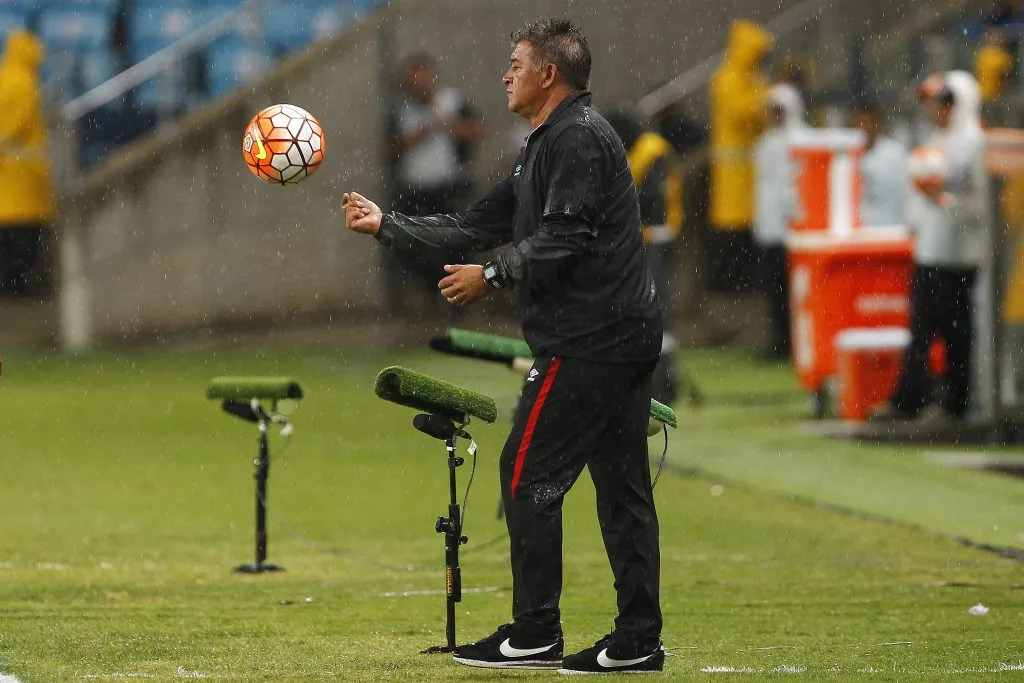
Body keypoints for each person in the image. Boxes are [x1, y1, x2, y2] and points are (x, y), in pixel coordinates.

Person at [342, 19, 665, 675]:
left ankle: (537, 630)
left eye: (515, 63)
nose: (503, 74)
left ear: (549, 74)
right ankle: (637, 638)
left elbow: (566, 237)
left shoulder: (575, 139)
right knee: (623, 488)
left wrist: (489, 275)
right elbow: (477, 222)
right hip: (622, 333)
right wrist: (388, 224)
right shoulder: (546, 142)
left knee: (527, 474)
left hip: (590, 339)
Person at [871, 71, 986, 424]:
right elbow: (920, 197)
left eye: (946, 103)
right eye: (937, 104)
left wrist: (942, 199)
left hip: (960, 256)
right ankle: (915, 399)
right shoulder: (937, 142)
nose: (938, 111)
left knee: (955, 333)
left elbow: (982, 208)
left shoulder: (975, 146)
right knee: (924, 329)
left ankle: (950, 402)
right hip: (932, 251)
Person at [382, 52, 482, 318]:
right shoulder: (400, 112)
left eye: (424, 81)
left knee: (456, 244)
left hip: (450, 187)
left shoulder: (452, 101)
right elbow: (389, 149)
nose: (420, 88)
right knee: (404, 245)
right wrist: (415, 136)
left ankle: (456, 303)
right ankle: (433, 290)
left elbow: (475, 131)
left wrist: (446, 123)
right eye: (414, 83)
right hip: (414, 191)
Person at [604, 106, 684, 404]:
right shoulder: (638, 152)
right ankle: (648, 378)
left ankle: (664, 381)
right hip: (641, 242)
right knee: (642, 312)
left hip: (656, 242)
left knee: (655, 311)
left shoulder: (654, 152)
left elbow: (650, 202)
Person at [708, 19, 773, 293]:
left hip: (752, 169)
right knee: (731, 230)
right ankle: (728, 285)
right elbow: (740, 112)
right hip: (733, 171)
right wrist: (764, 102)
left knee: (747, 229)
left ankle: (746, 283)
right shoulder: (728, 78)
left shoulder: (754, 78)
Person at [0, 30, 54, 298]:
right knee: (24, 237)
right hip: (23, 176)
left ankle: (10, 285)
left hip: (8, 175)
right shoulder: (23, 82)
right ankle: (18, 287)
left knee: (9, 235)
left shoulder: (4, 77)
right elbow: (16, 124)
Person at [752, 83, 804, 361]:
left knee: (797, 291)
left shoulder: (803, 141)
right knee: (775, 290)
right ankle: (780, 341)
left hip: (795, 231)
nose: (775, 115)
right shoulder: (765, 143)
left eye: (779, 110)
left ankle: (797, 342)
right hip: (771, 229)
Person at [851, 102, 910, 228]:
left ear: (878, 124)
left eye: (868, 122)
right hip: (859, 232)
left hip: (892, 229)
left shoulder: (895, 154)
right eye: (859, 123)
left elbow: (909, 193)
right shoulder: (848, 157)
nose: (863, 128)